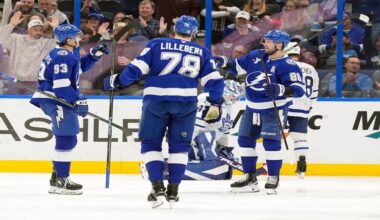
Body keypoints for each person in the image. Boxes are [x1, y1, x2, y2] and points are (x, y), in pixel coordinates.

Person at [103, 15, 224, 208]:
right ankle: (173, 191)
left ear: (174, 29)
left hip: (156, 102)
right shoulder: (202, 51)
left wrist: (116, 82)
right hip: (186, 104)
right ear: (193, 33)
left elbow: (136, 69)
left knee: (151, 144)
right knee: (180, 147)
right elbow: (214, 82)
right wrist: (216, 101)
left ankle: (157, 187)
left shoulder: (157, 43)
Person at [217, 29, 304, 194]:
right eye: (265, 40)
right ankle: (250, 177)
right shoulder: (256, 55)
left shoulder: (288, 65)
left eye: (269, 41)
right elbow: (236, 66)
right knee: (244, 140)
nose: (265, 43)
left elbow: (299, 89)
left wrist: (280, 89)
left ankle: (273, 176)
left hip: (273, 109)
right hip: (251, 107)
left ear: (280, 45)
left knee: (271, 143)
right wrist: (223, 61)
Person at [30, 24, 109, 195]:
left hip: (58, 99)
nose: (79, 39)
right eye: (76, 37)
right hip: (57, 99)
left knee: (67, 138)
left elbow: (77, 70)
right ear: (68, 40)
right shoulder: (63, 55)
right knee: (66, 138)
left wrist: (94, 56)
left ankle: (56, 178)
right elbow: (61, 85)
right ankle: (61, 181)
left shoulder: (64, 54)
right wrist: (77, 99)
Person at [284, 42, 319, 178]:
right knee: (300, 139)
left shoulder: (284, 66)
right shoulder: (311, 68)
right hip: (302, 108)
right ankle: (302, 168)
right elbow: (315, 93)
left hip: (285, 105)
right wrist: (307, 107)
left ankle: (271, 166)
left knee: (274, 138)